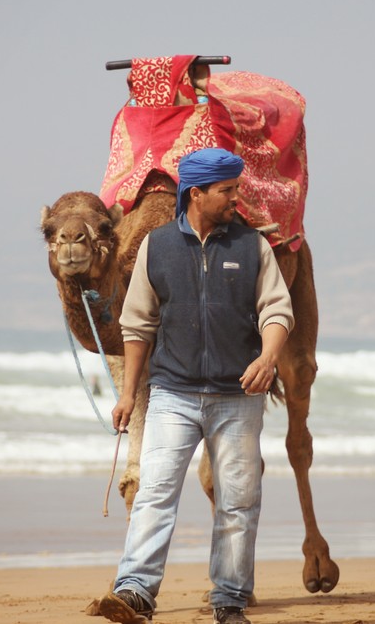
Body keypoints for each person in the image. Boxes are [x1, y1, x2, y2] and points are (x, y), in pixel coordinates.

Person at [97, 148, 294, 624]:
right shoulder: (158, 246)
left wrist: (268, 357)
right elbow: (137, 324)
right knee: (155, 492)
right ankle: (135, 590)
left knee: (238, 502)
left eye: (236, 187)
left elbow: (276, 310)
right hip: (172, 395)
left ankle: (230, 599)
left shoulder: (252, 246)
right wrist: (128, 394)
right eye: (227, 190)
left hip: (238, 398)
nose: (236, 197)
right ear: (197, 193)